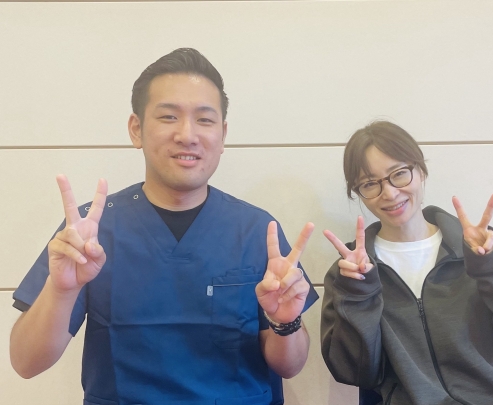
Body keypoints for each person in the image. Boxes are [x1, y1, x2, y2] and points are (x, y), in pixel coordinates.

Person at [10, 48, 318, 405]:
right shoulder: (89, 232)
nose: (187, 135)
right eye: (169, 116)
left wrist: (285, 323)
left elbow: (291, 366)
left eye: (204, 119)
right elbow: (26, 363)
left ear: (222, 134)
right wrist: (62, 291)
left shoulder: (257, 230)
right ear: (136, 129)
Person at [320, 121, 493, 405]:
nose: (390, 193)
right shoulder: (350, 273)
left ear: (420, 171)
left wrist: (492, 268)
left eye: (399, 174)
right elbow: (354, 373)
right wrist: (359, 294)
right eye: (370, 183)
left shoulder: (475, 249)